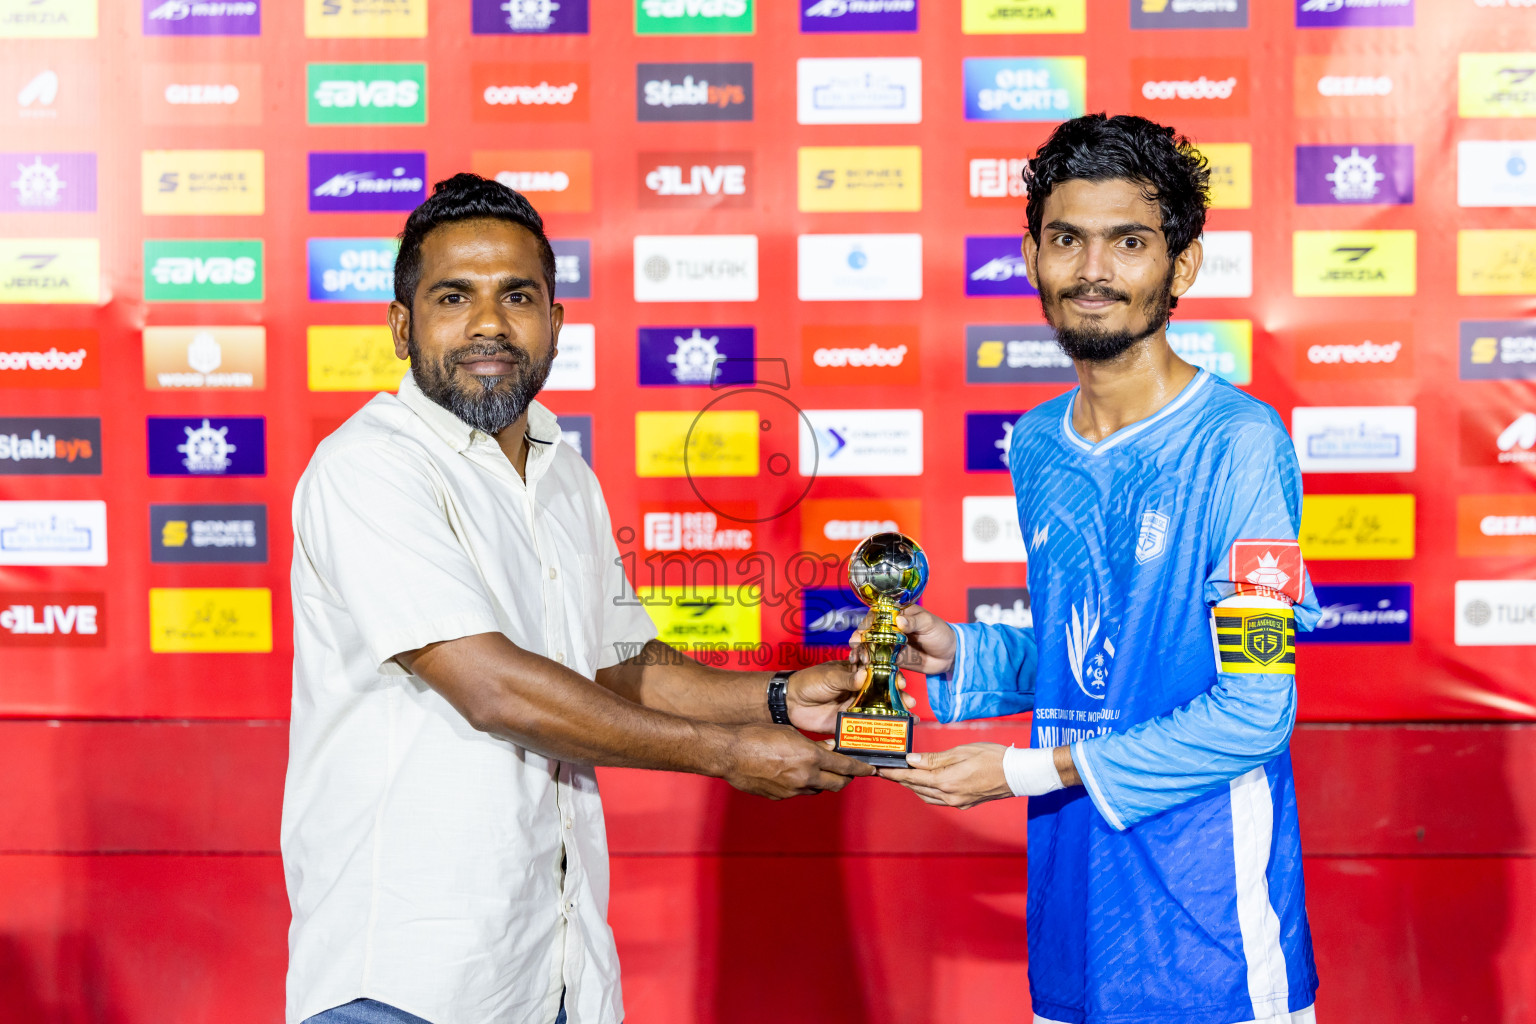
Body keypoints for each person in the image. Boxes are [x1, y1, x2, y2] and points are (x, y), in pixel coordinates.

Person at [282, 173, 878, 1024]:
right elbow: (492, 685)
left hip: (553, 973)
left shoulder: (565, 471)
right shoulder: (370, 467)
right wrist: (727, 756)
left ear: (555, 325)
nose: (489, 323)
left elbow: (619, 664)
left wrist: (777, 697)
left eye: (517, 296)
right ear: (401, 325)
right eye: (454, 296)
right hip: (407, 981)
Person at [870, 114, 1323, 1024]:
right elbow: (1098, 658)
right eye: (1067, 240)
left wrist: (1023, 771)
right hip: (1074, 906)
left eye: (1129, 242)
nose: (1093, 273)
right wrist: (955, 651)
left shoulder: (1240, 445)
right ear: (1033, 255)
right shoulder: (1037, 443)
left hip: (1211, 932)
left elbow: (1254, 713)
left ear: (1182, 266)